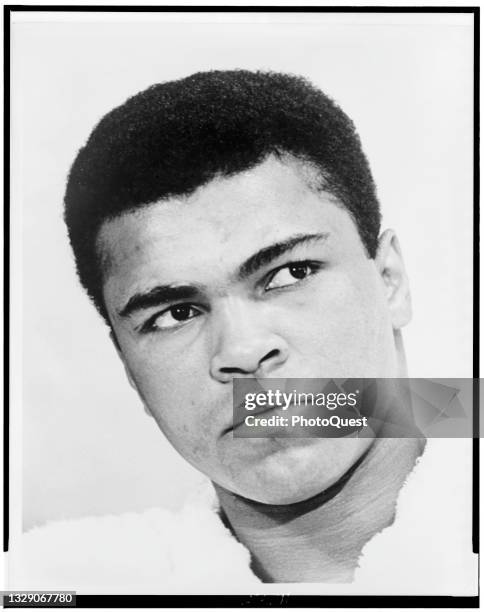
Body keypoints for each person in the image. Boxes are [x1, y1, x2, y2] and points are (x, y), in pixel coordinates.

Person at [11, 70, 476, 593]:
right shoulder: (53, 581)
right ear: (128, 367)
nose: (243, 351)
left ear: (390, 280)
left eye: (290, 273)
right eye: (176, 314)